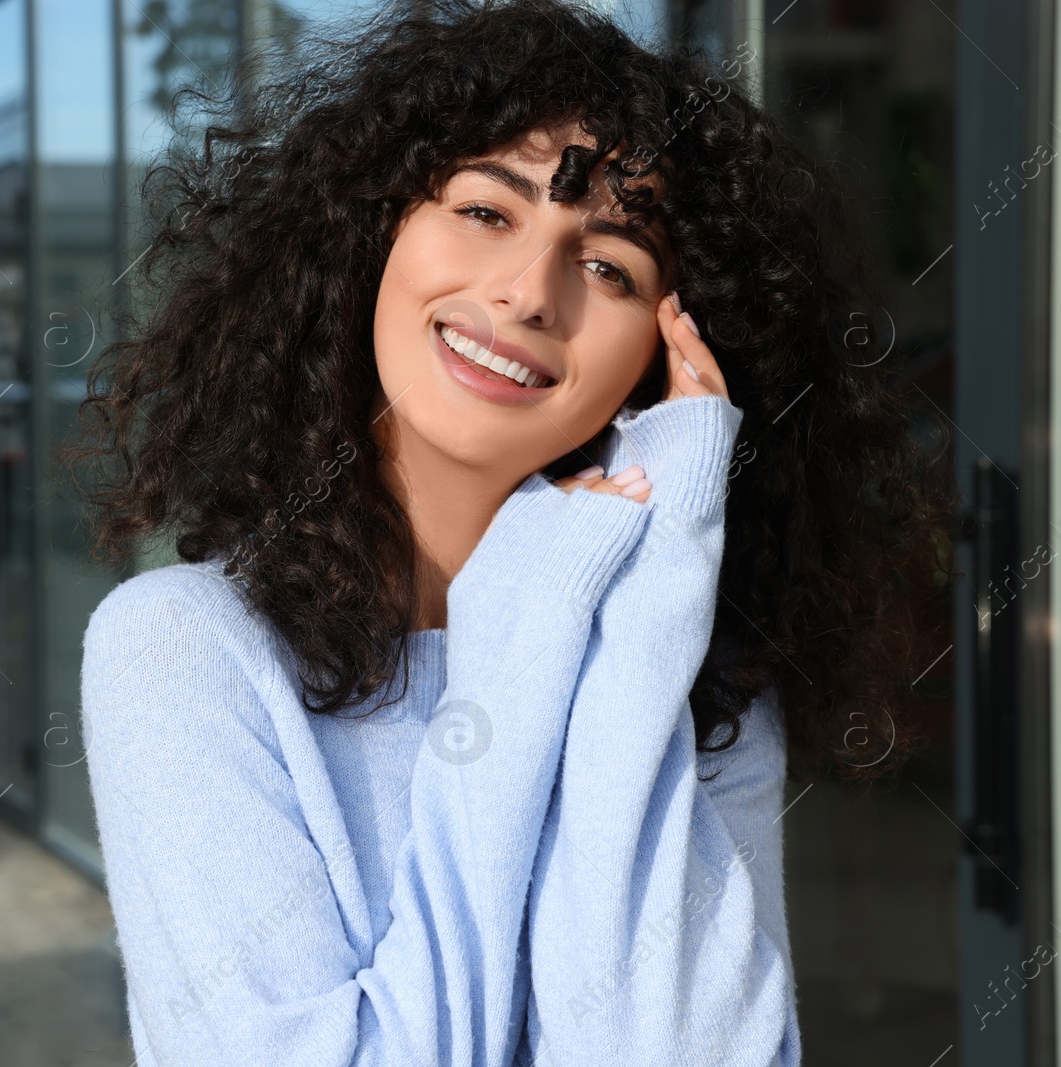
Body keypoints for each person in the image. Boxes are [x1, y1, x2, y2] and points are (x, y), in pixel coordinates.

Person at [62, 0, 959, 1062]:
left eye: (608, 267)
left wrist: (630, 632)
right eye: (487, 211)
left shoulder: (687, 667)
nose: (528, 293)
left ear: (667, 358)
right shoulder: (182, 648)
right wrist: (529, 608)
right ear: (373, 230)